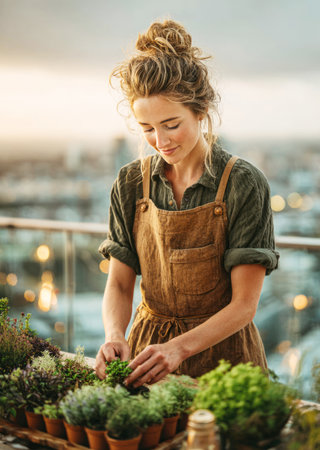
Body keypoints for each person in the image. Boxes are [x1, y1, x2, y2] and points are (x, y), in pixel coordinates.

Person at [95, 19, 279, 386]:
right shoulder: (130, 182)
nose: (160, 140)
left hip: (228, 361)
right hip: (148, 354)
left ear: (201, 111)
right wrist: (115, 334)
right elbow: (118, 283)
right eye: (147, 128)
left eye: (171, 123)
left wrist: (178, 348)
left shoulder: (244, 184)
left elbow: (244, 305)